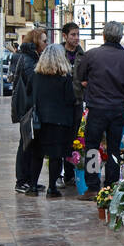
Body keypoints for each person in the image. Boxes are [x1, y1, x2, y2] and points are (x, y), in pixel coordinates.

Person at [75, 20, 124, 198]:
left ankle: (92, 186)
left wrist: (90, 88)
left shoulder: (91, 55)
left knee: (91, 147)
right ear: (120, 37)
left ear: (104, 35)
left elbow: (80, 76)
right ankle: (111, 184)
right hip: (117, 109)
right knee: (114, 148)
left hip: (96, 107)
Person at [29, 43, 79, 198]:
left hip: (39, 121)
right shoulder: (64, 78)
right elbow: (70, 99)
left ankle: (32, 187)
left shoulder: (36, 76)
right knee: (55, 156)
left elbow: (30, 95)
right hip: (59, 122)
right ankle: (52, 188)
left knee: (37, 154)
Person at [48, 22, 85, 187]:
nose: (76, 38)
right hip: (60, 104)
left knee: (73, 138)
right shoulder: (57, 53)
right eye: (73, 35)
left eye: (78, 34)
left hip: (77, 101)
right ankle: (57, 175)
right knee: (59, 139)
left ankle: (70, 174)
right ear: (65, 36)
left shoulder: (82, 55)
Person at [10, 29, 46, 194]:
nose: (46, 44)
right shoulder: (28, 59)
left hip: (29, 106)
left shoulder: (31, 57)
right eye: (44, 41)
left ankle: (30, 180)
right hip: (27, 108)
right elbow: (33, 82)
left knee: (31, 144)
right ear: (36, 42)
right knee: (25, 144)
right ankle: (22, 181)